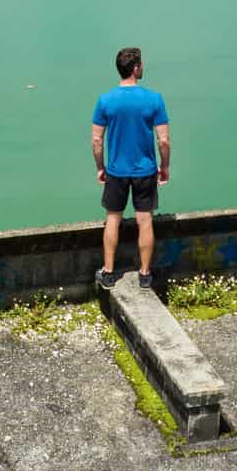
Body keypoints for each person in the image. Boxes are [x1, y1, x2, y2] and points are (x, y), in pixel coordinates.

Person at [91, 45, 170, 289]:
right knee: (144, 220)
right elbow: (164, 140)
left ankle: (109, 272)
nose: (143, 66)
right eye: (142, 64)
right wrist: (164, 166)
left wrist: (100, 167)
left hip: (116, 170)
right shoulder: (153, 99)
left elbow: (96, 140)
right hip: (145, 170)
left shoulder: (105, 100)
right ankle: (145, 275)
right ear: (135, 69)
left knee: (113, 219)